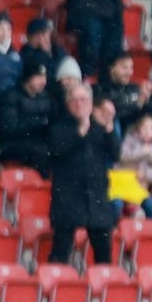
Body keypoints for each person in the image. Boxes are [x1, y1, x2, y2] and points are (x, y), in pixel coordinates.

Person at [48, 79, 120, 266]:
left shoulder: (99, 127)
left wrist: (109, 127)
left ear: (91, 103)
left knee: (104, 252)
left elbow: (116, 154)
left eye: (83, 99)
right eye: (74, 100)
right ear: (67, 103)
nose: (79, 104)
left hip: (96, 196)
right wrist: (79, 131)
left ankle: (103, 283)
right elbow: (56, 150)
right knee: (61, 250)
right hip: (68, 197)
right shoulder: (59, 126)